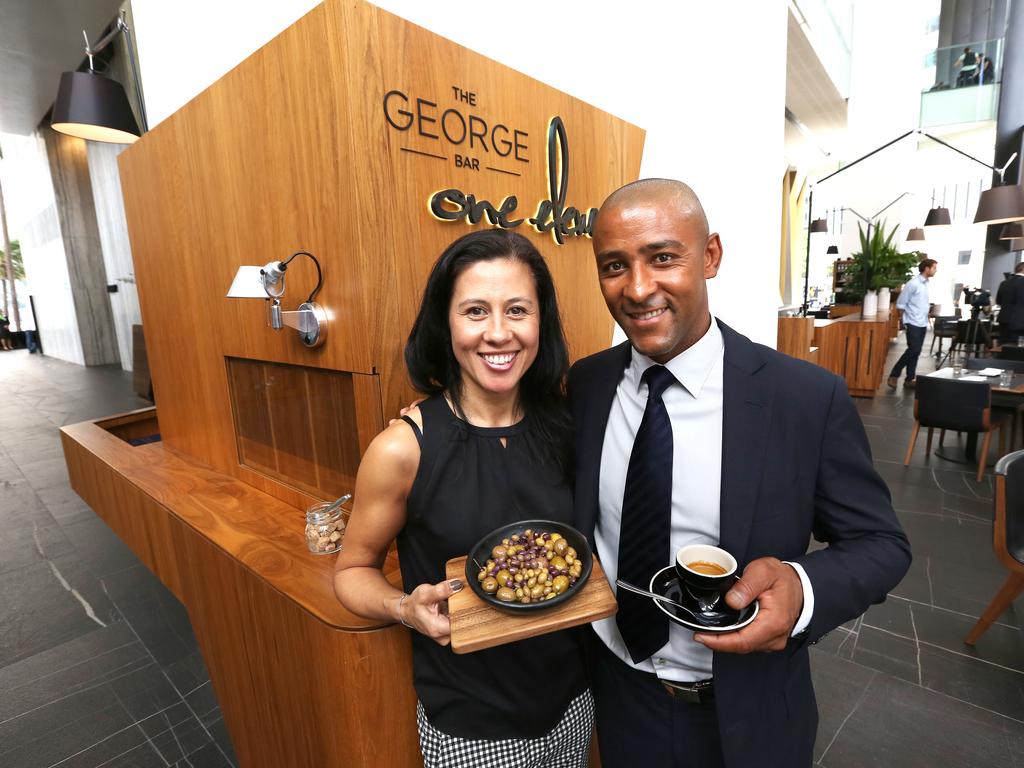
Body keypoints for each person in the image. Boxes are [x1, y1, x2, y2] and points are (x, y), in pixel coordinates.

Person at [568, 179, 911, 767]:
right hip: (620, 693)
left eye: (663, 257)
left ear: (711, 256)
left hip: (748, 714)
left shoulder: (804, 397)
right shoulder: (588, 383)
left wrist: (801, 590)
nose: (638, 287)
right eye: (614, 266)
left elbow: (881, 544)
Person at [334, 230, 592, 767]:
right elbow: (351, 570)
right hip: (469, 727)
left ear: (541, 320)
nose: (498, 333)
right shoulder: (403, 446)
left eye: (517, 310)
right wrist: (403, 607)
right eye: (475, 311)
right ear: (445, 323)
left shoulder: (568, 425)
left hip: (574, 702)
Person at [888, 258, 938, 389]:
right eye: (934, 268)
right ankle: (894, 374)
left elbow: (919, 303)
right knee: (914, 350)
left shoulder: (926, 283)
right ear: (926, 268)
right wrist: (905, 319)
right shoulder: (913, 284)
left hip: (922, 322)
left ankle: (910, 379)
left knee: (915, 351)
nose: (935, 270)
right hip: (912, 322)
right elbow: (900, 303)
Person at [996, 262, 1024, 343]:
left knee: (1003, 345)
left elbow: (999, 301)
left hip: (1004, 318)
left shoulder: (1004, 283)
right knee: (1016, 348)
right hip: (1020, 321)